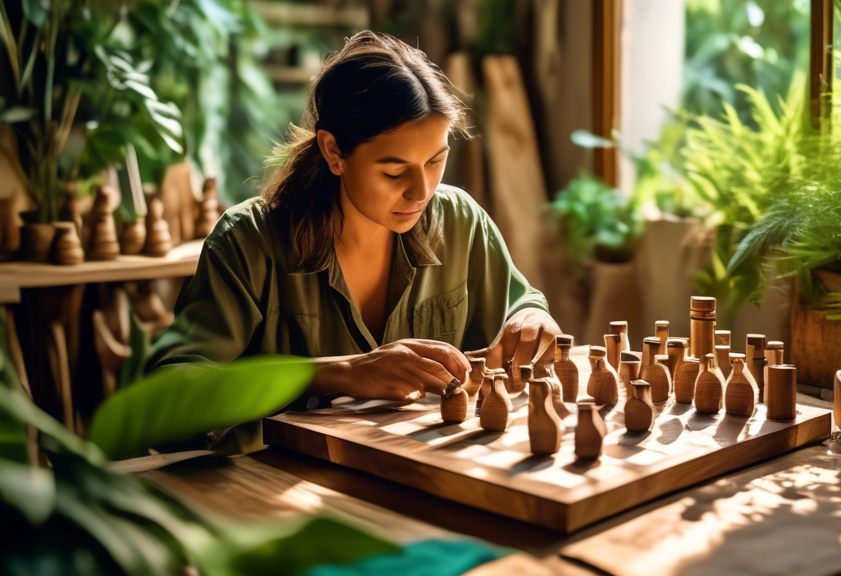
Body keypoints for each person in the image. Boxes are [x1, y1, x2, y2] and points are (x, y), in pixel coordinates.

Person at [145, 31, 560, 406]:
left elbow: (521, 304)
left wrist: (531, 320)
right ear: (333, 152)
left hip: (423, 474)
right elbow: (165, 395)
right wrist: (337, 373)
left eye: (436, 161)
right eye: (394, 172)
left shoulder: (459, 221)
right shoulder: (249, 243)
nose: (422, 190)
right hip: (276, 482)